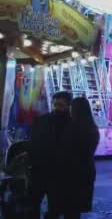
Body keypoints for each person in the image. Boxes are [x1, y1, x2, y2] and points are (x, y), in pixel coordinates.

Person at [28, 91, 79, 219]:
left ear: (68, 106)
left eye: (60, 105)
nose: (57, 108)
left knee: (54, 206)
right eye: (55, 104)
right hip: (39, 170)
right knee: (33, 203)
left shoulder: (73, 124)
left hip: (58, 173)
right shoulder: (42, 120)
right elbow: (33, 143)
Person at [70, 97, 100, 217]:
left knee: (70, 207)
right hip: (87, 170)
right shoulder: (92, 127)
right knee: (76, 209)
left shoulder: (73, 128)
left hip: (73, 172)